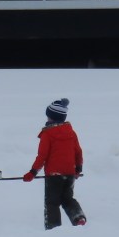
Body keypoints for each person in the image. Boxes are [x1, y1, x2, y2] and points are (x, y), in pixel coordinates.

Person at [23, 98, 86, 229]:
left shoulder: (47, 134)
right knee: (67, 199)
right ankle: (78, 217)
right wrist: (78, 169)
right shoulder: (71, 132)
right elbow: (78, 152)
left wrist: (32, 172)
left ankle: (53, 227)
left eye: (48, 116)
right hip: (69, 173)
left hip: (53, 175)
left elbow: (42, 156)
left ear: (52, 117)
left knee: (52, 203)